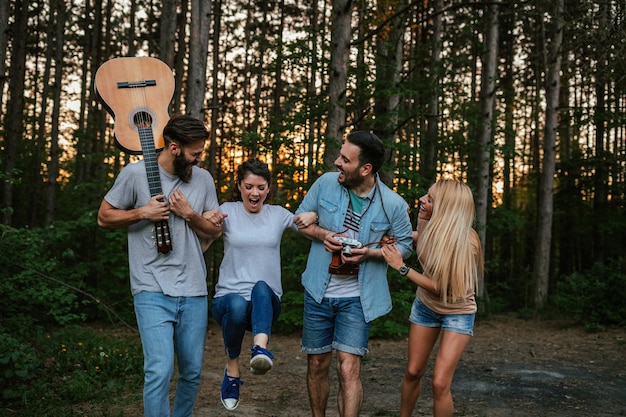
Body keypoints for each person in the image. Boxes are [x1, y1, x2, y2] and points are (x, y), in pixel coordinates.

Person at [97, 114, 225, 417]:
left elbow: (214, 231)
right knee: (159, 369)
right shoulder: (135, 174)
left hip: (193, 288)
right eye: (194, 152)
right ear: (174, 147)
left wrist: (190, 214)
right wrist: (142, 212)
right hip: (151, 287)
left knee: (192, 372)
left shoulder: (203, 179)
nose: (198, 159)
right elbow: (104, 217)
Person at [294, 131, 414, 417]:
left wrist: (371, 253)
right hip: (318, 291)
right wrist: (323, 233)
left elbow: (406, 246)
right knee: (317, 364)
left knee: (348, 367)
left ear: (366, 169)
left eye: (345, 160)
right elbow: (298, 222)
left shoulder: (393, 204)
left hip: (358, 298)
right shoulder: (325, 184)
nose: (337, 162)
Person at [211, 158, 317, 411]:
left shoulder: (278, 214)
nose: (254, 193)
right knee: (237, 303)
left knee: (260, 286)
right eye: (248, 186)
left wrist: (314, 213)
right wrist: (206, 216)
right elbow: (205, 228)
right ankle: (232, 370)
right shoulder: (227, 210)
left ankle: (260, 347)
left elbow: (305, 224)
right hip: (227, 299)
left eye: (260, 187)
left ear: (269, 188)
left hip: (266, 303)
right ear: (239, 186)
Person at [381, 179, 484, 417]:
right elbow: (423, 237)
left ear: (446, 207)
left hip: (458, 313)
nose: (422, 200)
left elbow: (441, 288)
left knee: (439, 383)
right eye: (426, 196)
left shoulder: (468, 243)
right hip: (426, 307)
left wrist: (402, 267)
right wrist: (400, 240)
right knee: (413, 372)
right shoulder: (429, 222)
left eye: (430, 199)